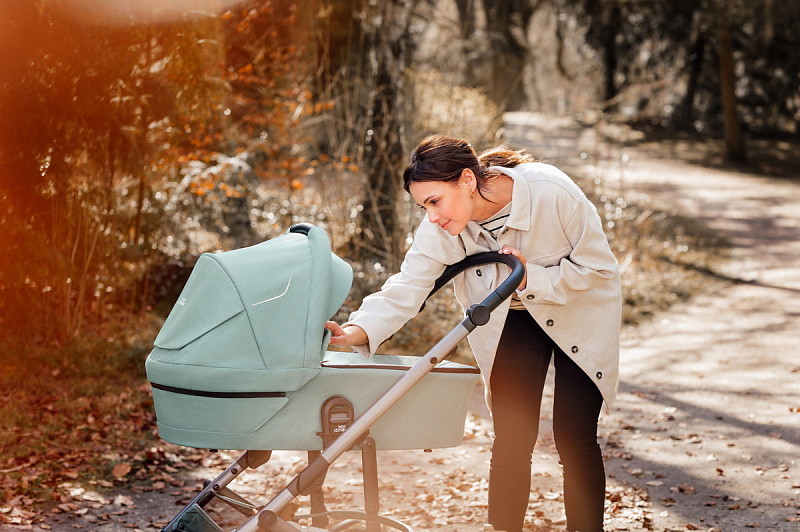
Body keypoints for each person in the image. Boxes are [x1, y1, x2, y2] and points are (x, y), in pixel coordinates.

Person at [324, 135, 622, 532]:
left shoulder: (551, 192)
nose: (432, 216)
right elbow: (409, 285)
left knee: (574, 435)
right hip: (513, 318)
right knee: (512, 436)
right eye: (424, 206)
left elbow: (598, 269)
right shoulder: (443, 227)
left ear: (467, 180)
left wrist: (531, 277)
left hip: (579, 311)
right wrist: (358, 329)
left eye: (435, 201)